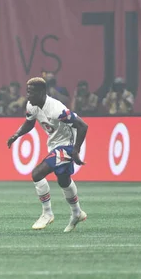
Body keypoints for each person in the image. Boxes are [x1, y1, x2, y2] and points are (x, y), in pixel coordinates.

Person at [7, 77, 88, 232]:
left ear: (42, 92)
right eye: (27, 92)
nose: (28, 96)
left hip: (67, 146)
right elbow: (29, 122)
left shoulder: (57, 110)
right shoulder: (31, 105)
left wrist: (76, 150)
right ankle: (77, 212)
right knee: (64, 180)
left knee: (37, 173)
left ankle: (47, 213)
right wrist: (16, 135)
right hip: (54, 145)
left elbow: (83, 126)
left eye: (31, 93)